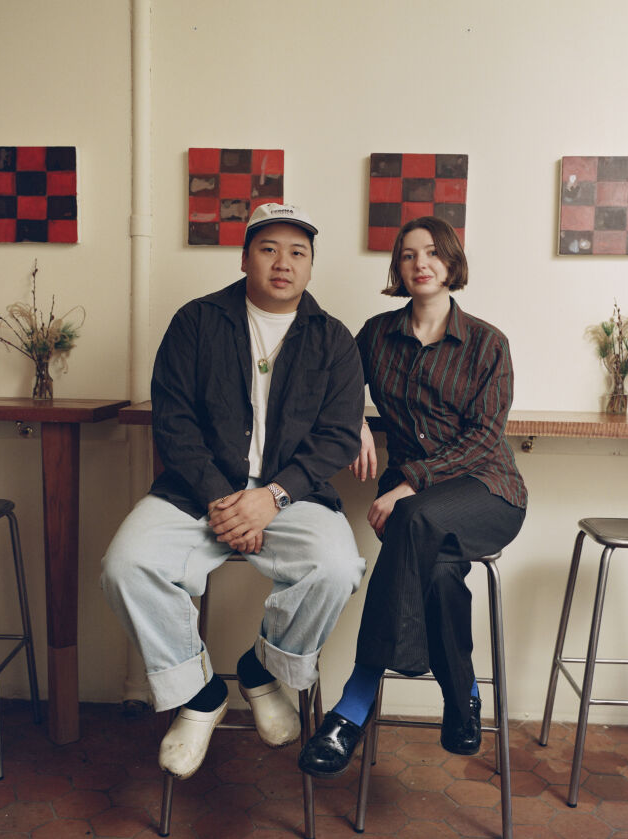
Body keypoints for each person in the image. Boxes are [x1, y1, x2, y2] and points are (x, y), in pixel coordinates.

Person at [101, 203, 366, 781]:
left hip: (293, 500)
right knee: (125, 565)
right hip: (197, 494)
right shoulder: (196, 322)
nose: (283, 263)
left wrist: (271, 497)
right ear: (245, 257)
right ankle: (198, 696)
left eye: (298, 253)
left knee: (337, 566)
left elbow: (338, 436)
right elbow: (174, 420)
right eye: (269, 248)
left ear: (311, 268)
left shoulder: (334, 340)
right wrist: (226, 499)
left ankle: (259, 669)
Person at [298, 216, 527, 777]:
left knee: (413, 517)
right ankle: (462, 692)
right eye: (407, 255)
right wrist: (353, 421)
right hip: (416, 511)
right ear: (397, 268)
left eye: (431, 252)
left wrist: (408, 483)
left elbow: (483, 437)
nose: (420, 263)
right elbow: (333, 389)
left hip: (487, 491)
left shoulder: (487, 343)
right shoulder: (375, 335)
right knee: (441, 571)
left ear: (451, 262)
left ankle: (355, 700)